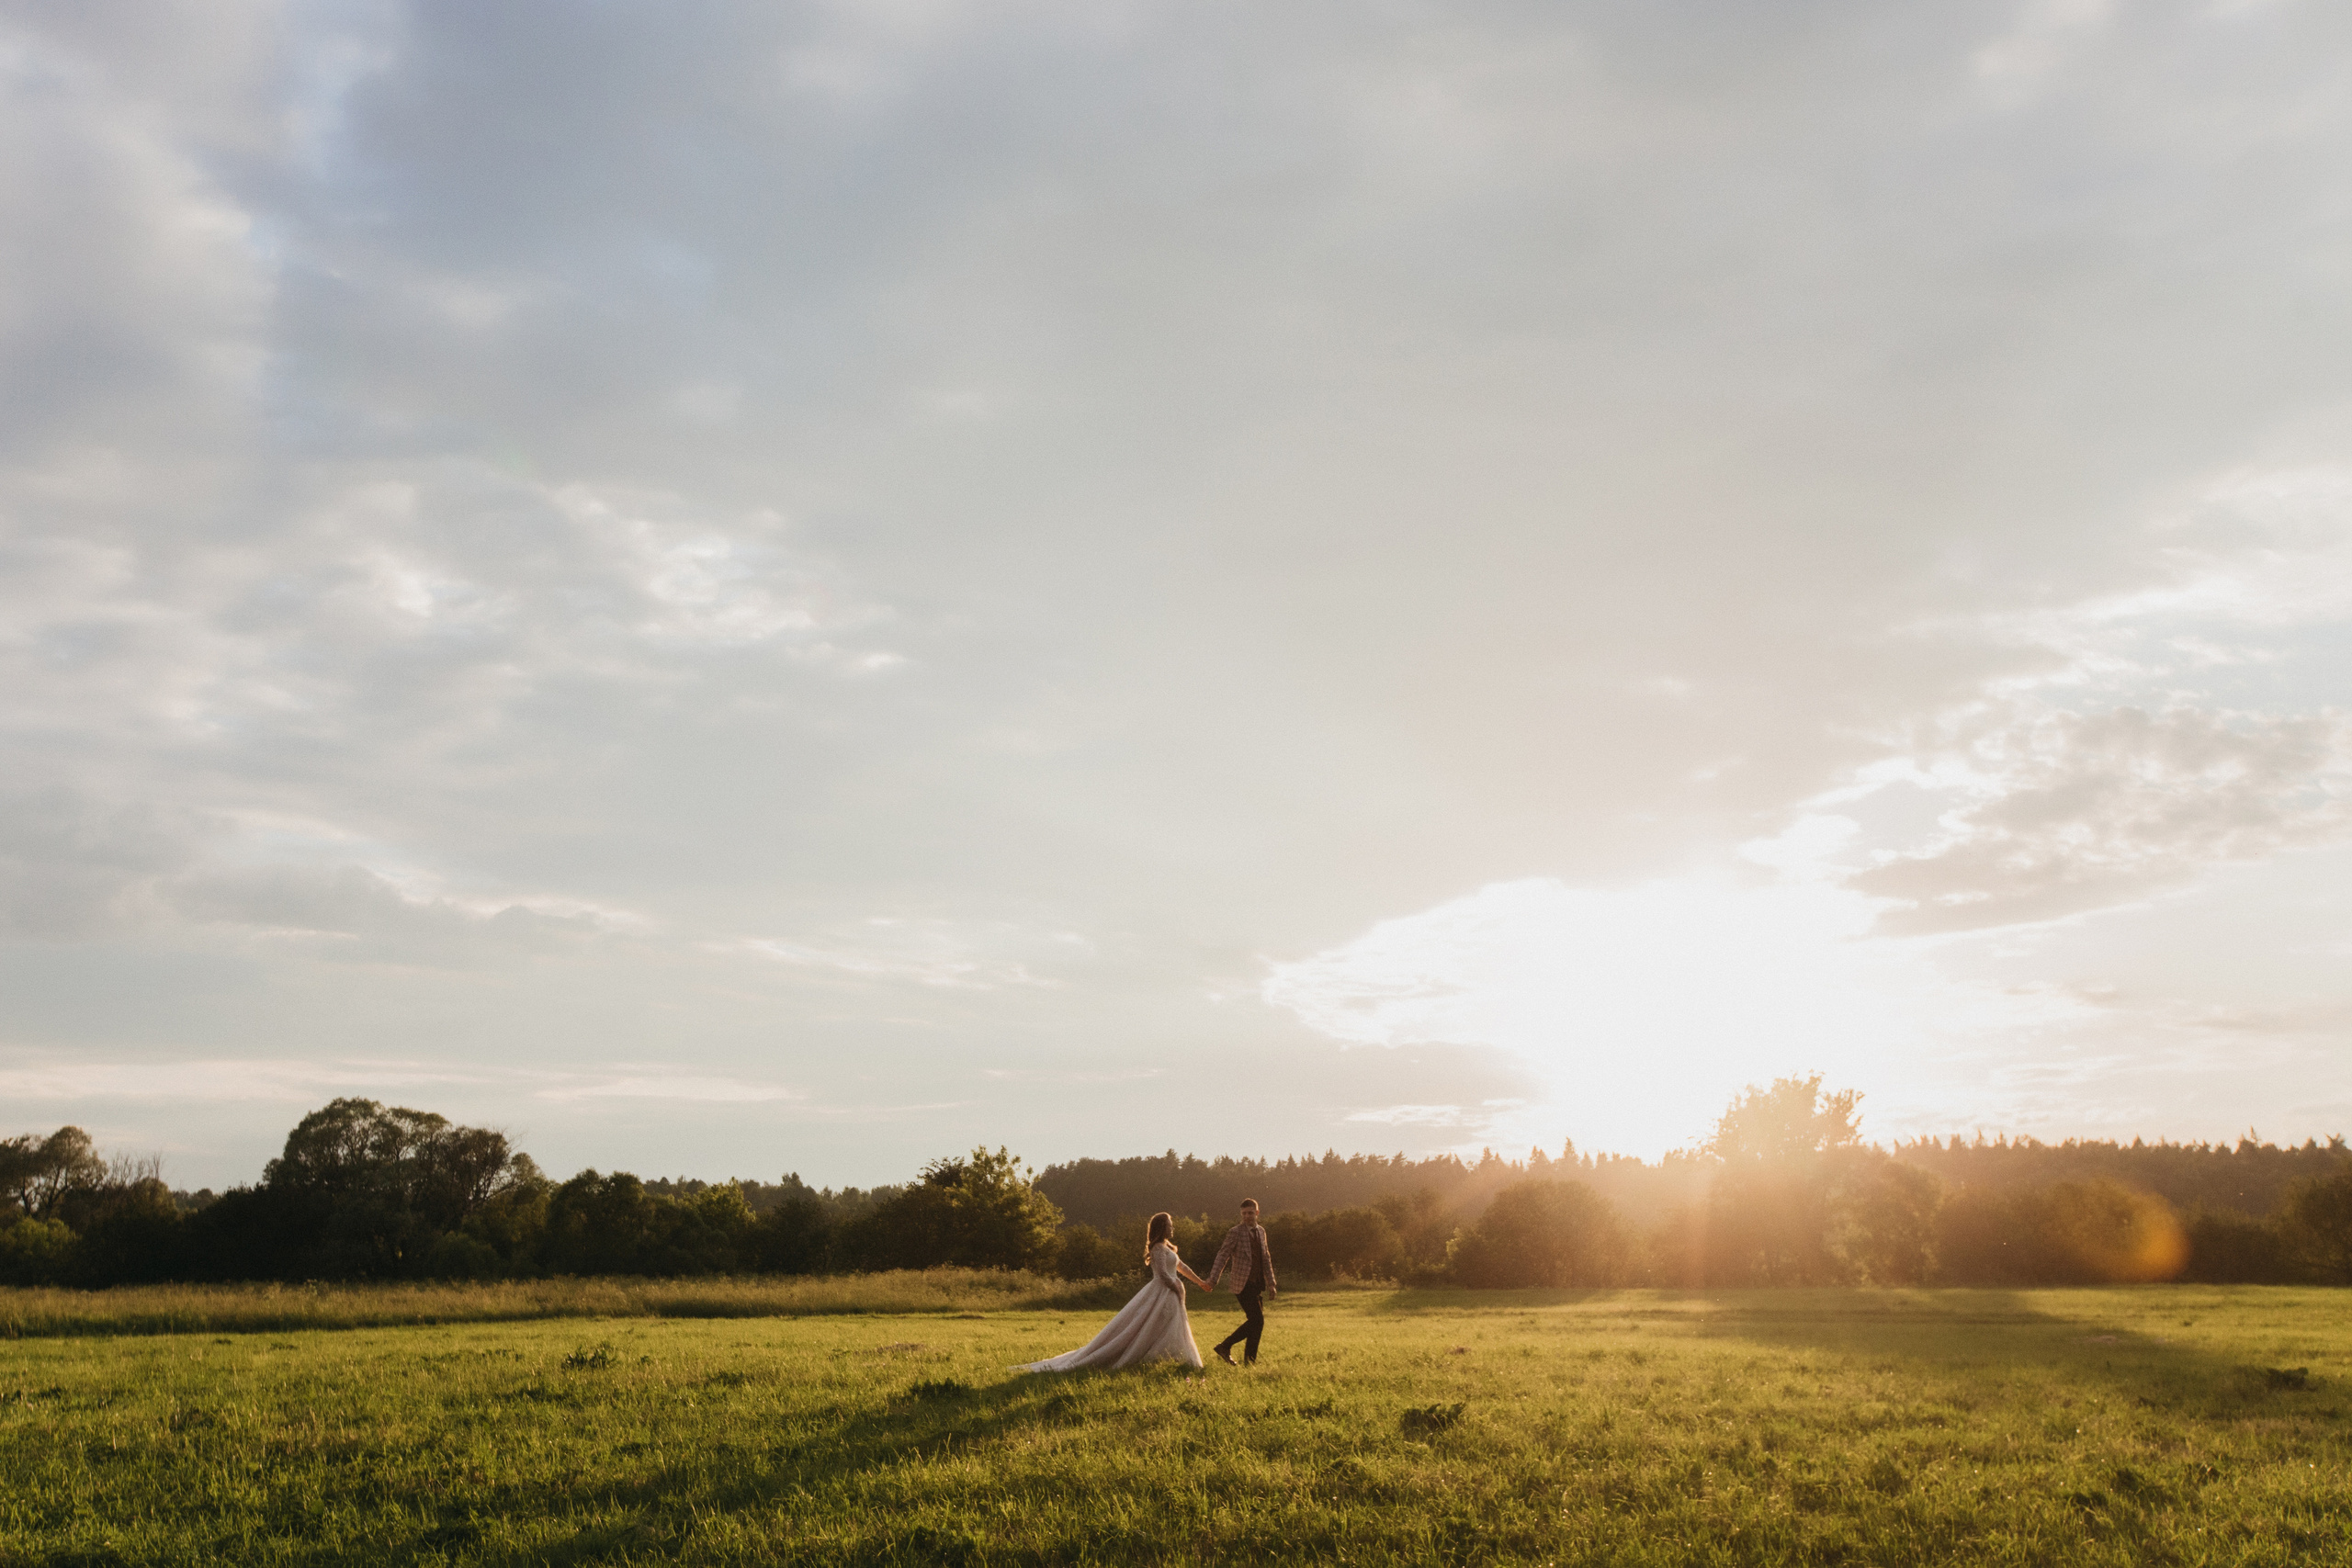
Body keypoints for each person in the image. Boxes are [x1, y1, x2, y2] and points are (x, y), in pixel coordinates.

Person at [1017, 1212, 1208, 1372]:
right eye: (1169, 1225)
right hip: (1163, 1291)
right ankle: (1149, 1356)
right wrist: (1176, 1287)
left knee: (1172, 1326)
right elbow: (1163, 1274)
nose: (1172, 1228)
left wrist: (1200, 1282)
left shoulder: (1168, 1248)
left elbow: (1182, 1267)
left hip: (1172, 1293)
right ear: (1161, 1228)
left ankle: (1175, 1359)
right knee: (1152, 1325)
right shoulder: (1157, 1248)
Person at [1204, 1198, 1277, 1365]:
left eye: (1250, 1213)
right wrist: (1213, 1279)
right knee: (1257, 1321)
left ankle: (1249, 1362)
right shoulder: (1235, 1232)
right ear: (1241, 1214)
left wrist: (1271, 1283)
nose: (1247, 1216)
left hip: (1257, 1284)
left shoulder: (1261, 1232)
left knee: (1256, 1324)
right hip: (1242, 1284)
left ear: (1257, 1213)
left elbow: (1266, 1259)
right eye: (1244, 1213)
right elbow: (1223, 1255)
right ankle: (1225, 1346)